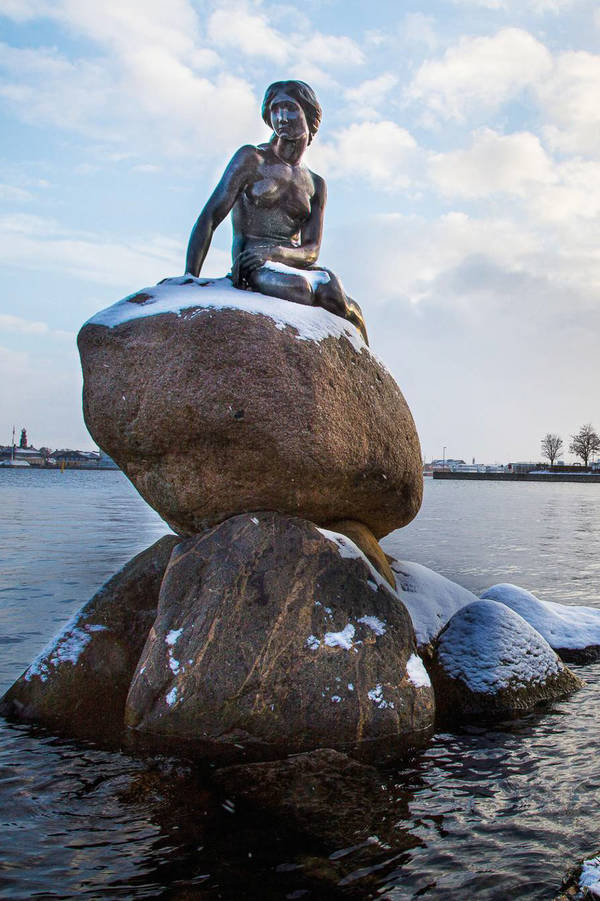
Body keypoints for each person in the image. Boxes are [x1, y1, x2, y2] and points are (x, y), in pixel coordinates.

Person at [185, 80, 368, 343]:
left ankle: (364, 355)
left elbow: (311, 250)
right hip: (253, 264)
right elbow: (210, 217)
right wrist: (190, 276)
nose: (281, 117)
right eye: (275, 110)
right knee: (300, 290)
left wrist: (275, 252)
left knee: (335, 294)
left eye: (289, 108)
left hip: (290, 260)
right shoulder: (252, 159)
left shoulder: (315, 184)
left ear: (309, 114)